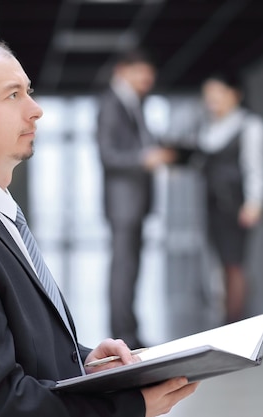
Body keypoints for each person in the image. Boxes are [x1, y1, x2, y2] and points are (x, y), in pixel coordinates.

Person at [0, 39, 198, 417]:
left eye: (30, 92)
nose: (35, 110)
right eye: (12, 95)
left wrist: (85, 364)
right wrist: (125, 408)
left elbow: (18, 353)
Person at [96, 49, 175, 349]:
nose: (148, 79)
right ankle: (122, 337)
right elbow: (109, 155)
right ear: (122, 71)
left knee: (132, 269)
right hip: (123, 202)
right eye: (142, 72)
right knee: (124, 269)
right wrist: (145, 158)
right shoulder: (111, 104)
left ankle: (130, 332)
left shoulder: (134, 104)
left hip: (136, 201)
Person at [180, 74, 263, 324]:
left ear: (234, 94)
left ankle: (235, 321)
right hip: (213, 205)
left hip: (236, 205)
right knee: (222, 263)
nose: (212, 101)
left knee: (234, 264)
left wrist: (254, 202)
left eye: (217, 94)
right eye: (208, 96)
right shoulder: (208, 127)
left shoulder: (250, 126)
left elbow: (256, 167)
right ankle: (229, 318)